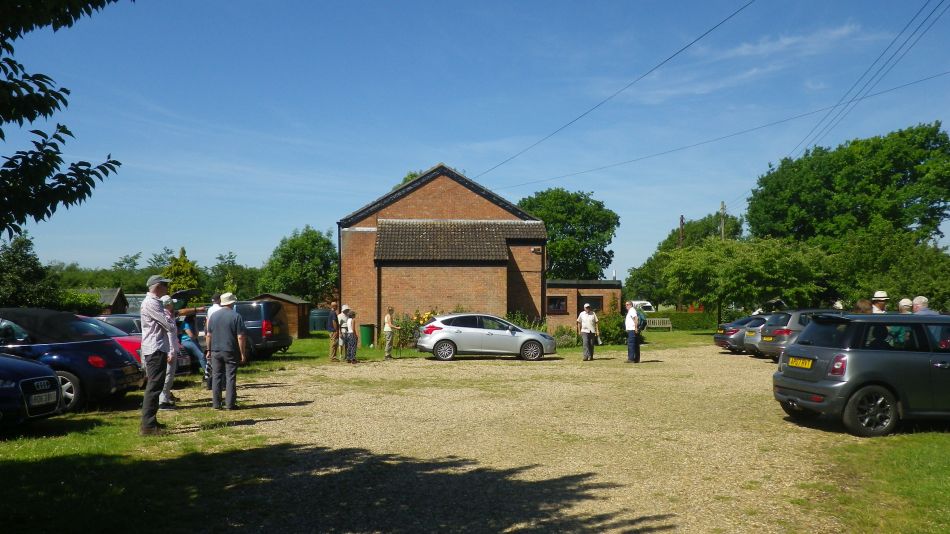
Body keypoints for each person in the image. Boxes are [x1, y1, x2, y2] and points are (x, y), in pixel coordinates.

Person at [139, 275, 175, 436]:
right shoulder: (152, 303)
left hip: (155, 348)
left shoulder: (154, 302)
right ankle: (148, 426)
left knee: (156, 386)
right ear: (158, 286)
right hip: (155, 349)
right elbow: (168, 325)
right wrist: (171, 319)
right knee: (154, 388)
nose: (167, 289)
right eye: (165, 285)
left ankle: (151, 422)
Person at [206, 292, 248, 410]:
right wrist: (242, 353)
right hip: (230, 350)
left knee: (216, 376)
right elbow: (240, 336)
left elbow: (208, 335)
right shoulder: (236, 316)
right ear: (231, 303)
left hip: (215, 350)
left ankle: (216, 404)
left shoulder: (213, 316)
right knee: (230, 377)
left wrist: (208, 349)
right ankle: (230, 404)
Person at [158, 295, 181, 410]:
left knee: (169, 375)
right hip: (169, 350)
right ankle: (162, 400)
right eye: (172, 303)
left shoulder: (169, 315)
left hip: (170, 349)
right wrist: (171, 352)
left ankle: (165, 397)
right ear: (168, 304)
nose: (174, 305)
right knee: (168, 375)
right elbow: (169, 335)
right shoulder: (166, 317)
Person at [179, 315, 205, 381]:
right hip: (186, 341)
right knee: (201, 355)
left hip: (192, 340)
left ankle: (206, 370)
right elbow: (191, 335)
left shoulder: (192, 323)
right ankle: (207, 372)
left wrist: (195, 323)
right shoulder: (185, 323)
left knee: (202, 355)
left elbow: (197, 333)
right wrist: (195, 336)